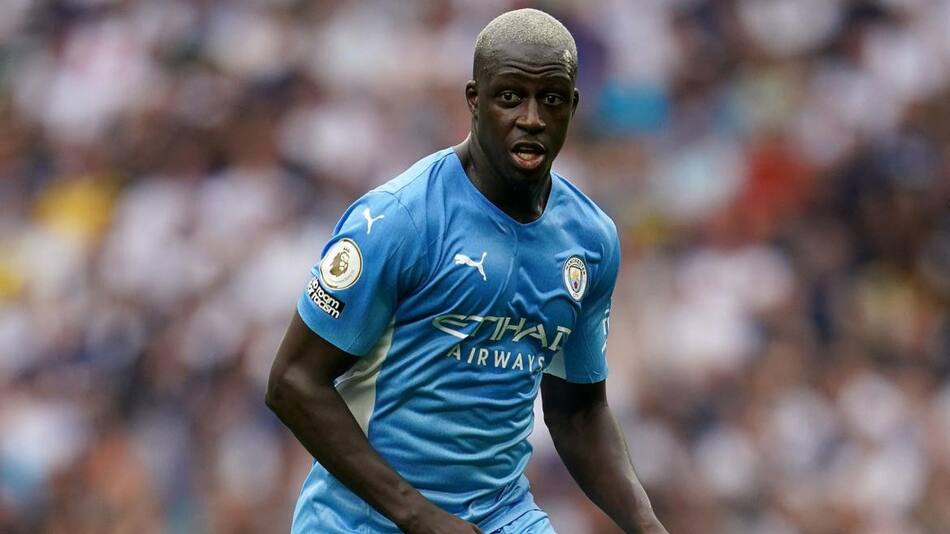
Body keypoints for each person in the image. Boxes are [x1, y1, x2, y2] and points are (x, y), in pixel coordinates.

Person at [266, 8, 669, 534]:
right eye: (509, 97)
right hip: (362, 521)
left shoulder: (590, 240)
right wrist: (421, 517)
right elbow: (292, 381)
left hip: (503, 516)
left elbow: (578, 411)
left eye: (550, 99)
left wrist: (646, 525)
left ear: (573, 106)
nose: (531, 117)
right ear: (474, 101)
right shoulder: (400, 220)